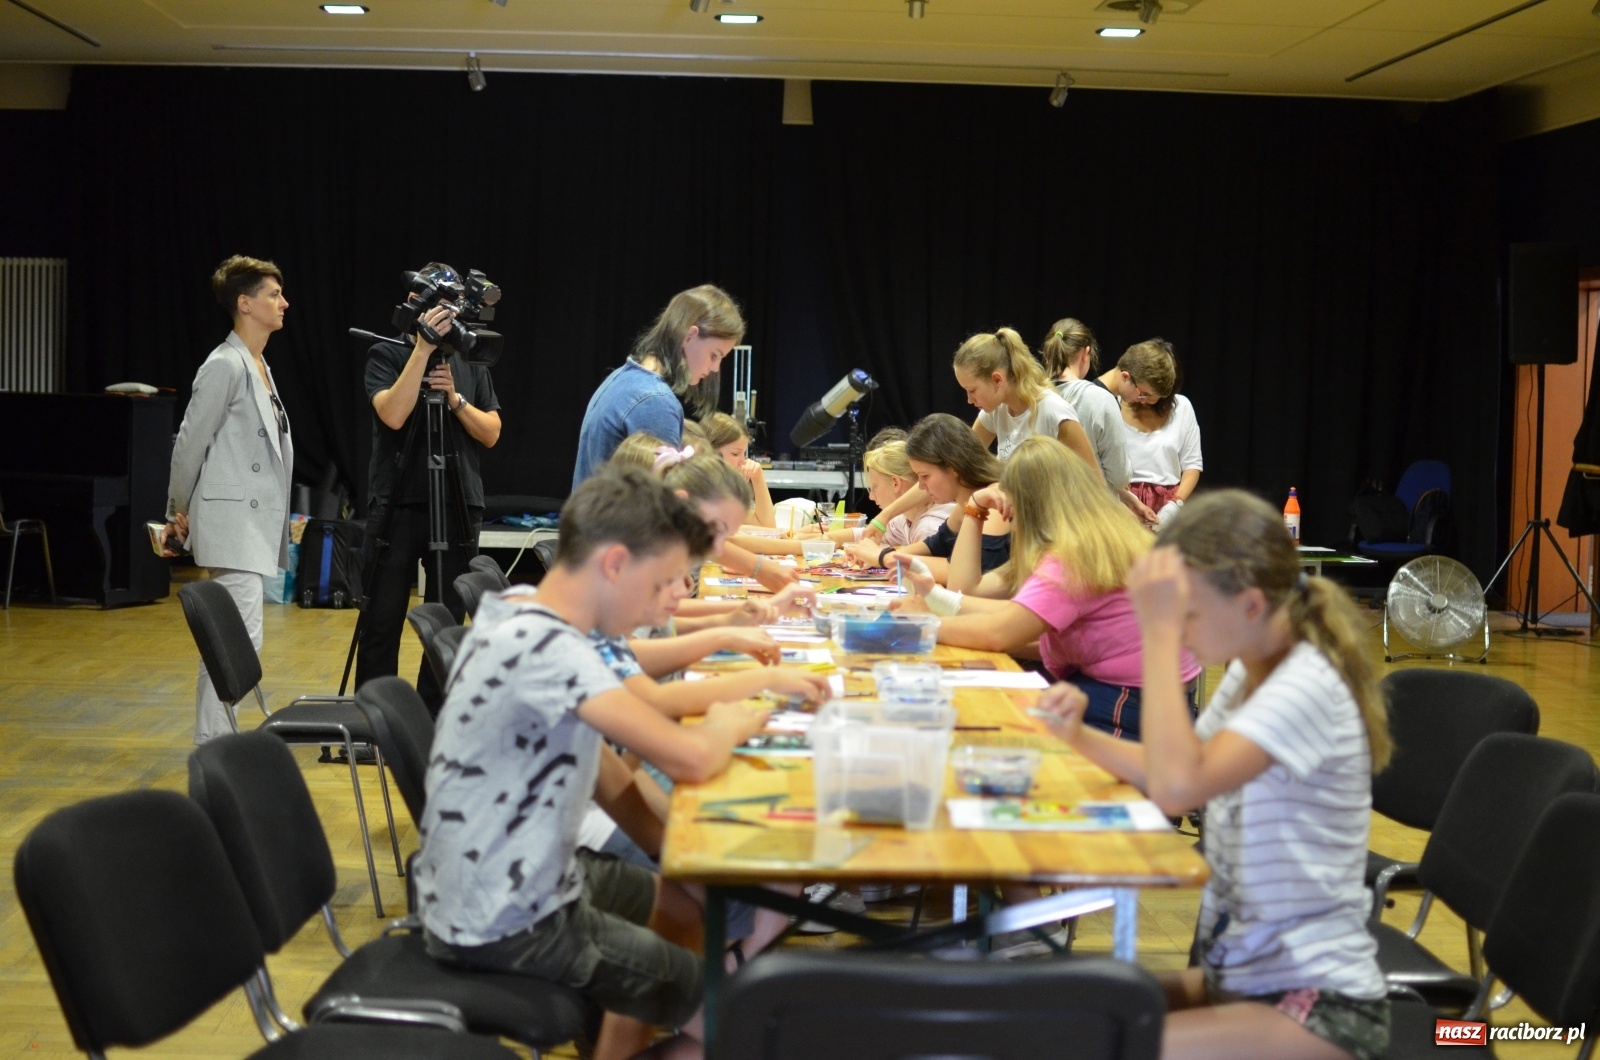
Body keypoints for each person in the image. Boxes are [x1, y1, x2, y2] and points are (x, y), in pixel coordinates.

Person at [417, 467, 769, 1060]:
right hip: (508, 923)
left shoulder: (518, 608)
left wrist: (679, 849)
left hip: (481, 894)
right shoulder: (556, 651)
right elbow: (693, 754)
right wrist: (736, 718)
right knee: (742, 1015)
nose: (663, 602)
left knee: (685, 895)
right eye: (659, 583)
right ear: (613, 565)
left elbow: (607, 777)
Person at [1032, 490, 1392, 1060]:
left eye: (1189, 614)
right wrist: (1079, 735)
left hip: (1317, 1004)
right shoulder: (1250, 672)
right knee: (1061, 1016)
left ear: (1251, 605)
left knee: (1101, 1045)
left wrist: (1157, 632)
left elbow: (1177, 788)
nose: (1182, 631)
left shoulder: (1305, 686)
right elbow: (1177, 770)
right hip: (1241, 978)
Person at [894, 436, 1198, 738]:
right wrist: (936, 598)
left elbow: (1000, 632)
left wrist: (925, 625)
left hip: (1129, 699)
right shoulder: (1100, 535)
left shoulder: (1072, 557)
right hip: (1154, 695)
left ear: (1027, 503)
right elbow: (1016, 612)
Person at [356, 264, 502, 711]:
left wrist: (456, 401)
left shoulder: (469, 361)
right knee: (382, 619)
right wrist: (420, 352)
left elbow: (492, 431)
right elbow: (393, 415)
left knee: (447, 623)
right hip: (398, 505)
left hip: (457, 502)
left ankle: (432, 717)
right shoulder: (386, 354)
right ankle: (378, 717)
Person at [162, 255, 294, 744]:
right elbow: (189, 441)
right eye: (273, 295)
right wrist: (177, 507)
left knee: (232, 644)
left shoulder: (257, 363)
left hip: (249, 523)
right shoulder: (224, 364)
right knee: (234, 645)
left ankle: (217, 743)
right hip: (231, 520)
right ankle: (215, 747)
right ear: (245, 303)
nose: (283, 303)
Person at [573, 285, 744, 489]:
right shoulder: (655, 402)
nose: (715, 368)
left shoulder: (620, 378)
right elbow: (661, 504)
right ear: (689, 336)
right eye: (714, 355)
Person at [849, 414, 1008, 591]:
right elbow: (933, 546)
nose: (922, 487)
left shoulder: (994, 502)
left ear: (953, 467)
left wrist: (884, 557)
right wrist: (874, 556)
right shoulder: (967, 502)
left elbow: (964, 575)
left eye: (925, 476)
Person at [1038, 318, 1155, 524]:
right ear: (1086, 353)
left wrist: (1128, 498)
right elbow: (1119, 476)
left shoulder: (1033, 395)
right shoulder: (1099, 399)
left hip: (1040, 511)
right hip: (1086, 516)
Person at [1101, 338, 1202, 527]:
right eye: (1144, 393)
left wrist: (1175, 504)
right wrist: (1126, 500)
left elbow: (1192, 464)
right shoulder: (1110, 404)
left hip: (1168, 503)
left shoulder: (1183, 407)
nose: (1145, 399)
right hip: (1121, 499)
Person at [702, 411, 775, 528]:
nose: (743, 461)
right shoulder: (698, 490)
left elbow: (766, 525)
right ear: (710, 451)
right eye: (736, 453)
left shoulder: (724, 486)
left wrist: (758, 477)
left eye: (744, 454)